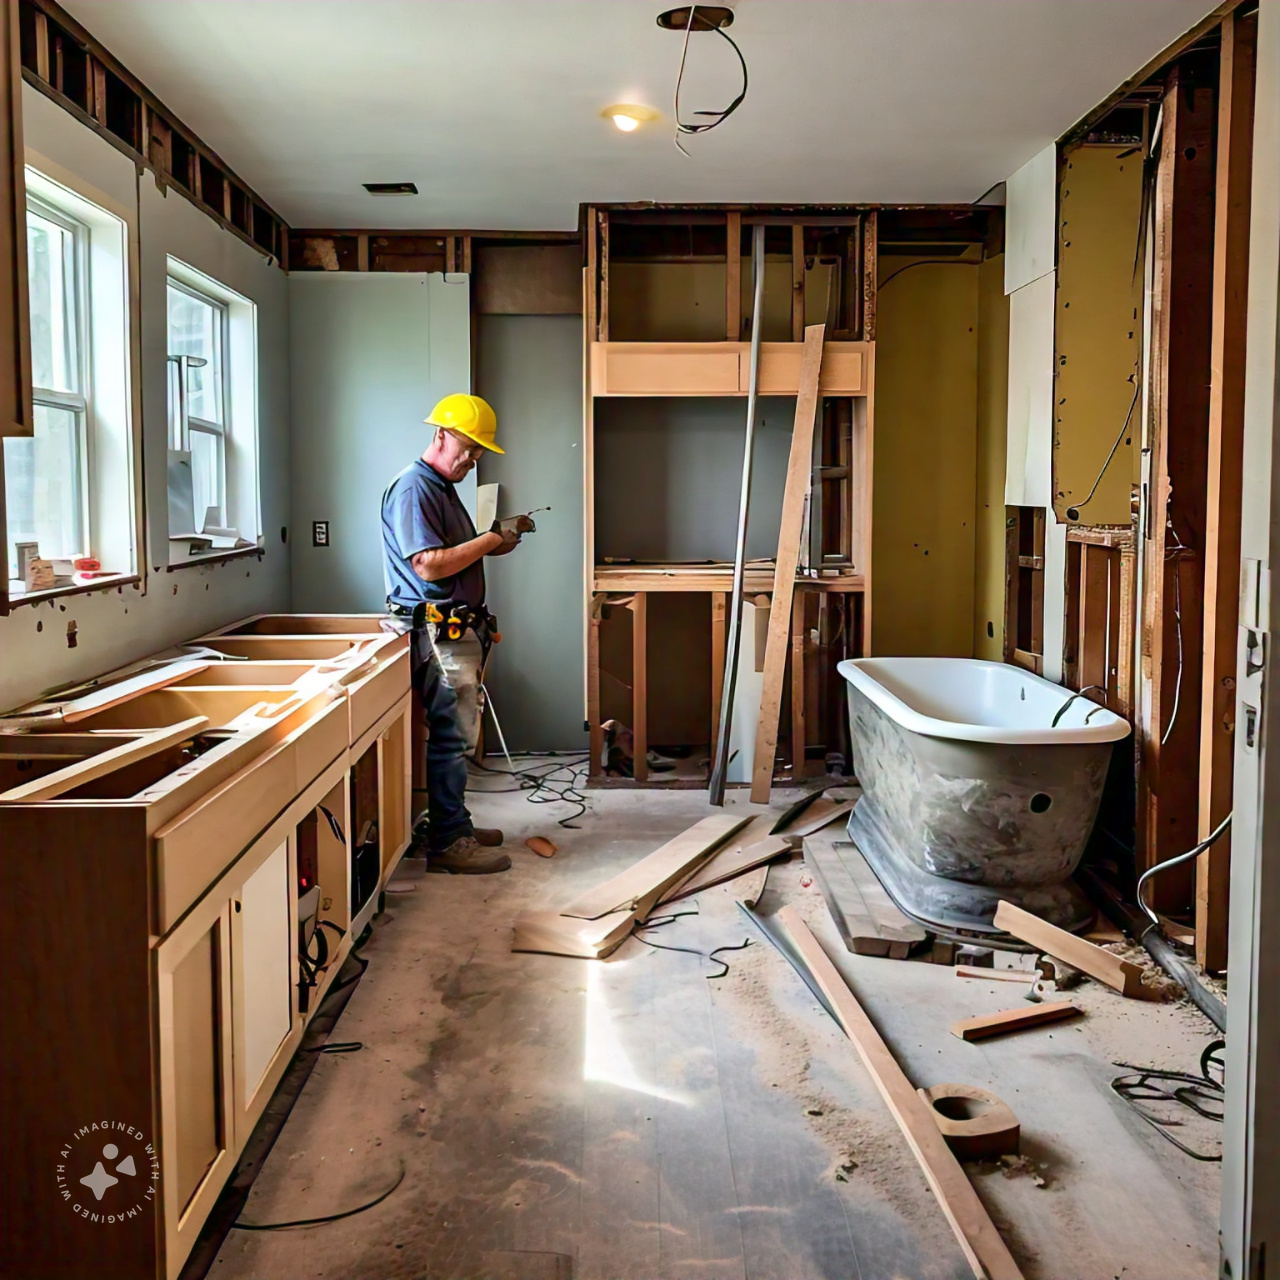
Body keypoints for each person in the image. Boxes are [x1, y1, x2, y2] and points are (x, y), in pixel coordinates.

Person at [381, 393, 531, 874]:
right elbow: (427, 566)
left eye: (479, 453)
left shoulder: (441, 489)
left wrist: (499, 539)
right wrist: (490, 538)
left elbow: (456, 555)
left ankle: (454, 824)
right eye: (466, 449)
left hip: (455, 628)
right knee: (450, 737)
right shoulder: (414, 489)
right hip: (436, 631)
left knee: (456, 735)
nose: (471, 460)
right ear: (440, 436)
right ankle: (448, 843)